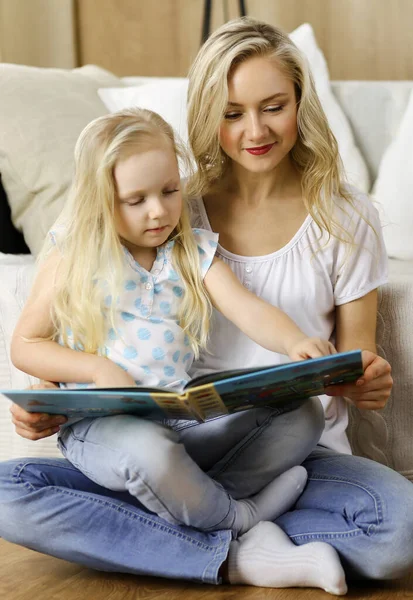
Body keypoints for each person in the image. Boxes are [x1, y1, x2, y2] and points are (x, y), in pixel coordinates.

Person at [1, 15, 413, 594]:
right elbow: (57, 331)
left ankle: (174, 535)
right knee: (7, 494)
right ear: (206, 114)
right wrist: (42, 398)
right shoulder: (168, 205)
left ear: (301, 102)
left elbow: (352, 356)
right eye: (231, 112)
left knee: (399, 530)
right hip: (155, 438)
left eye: (274, 105)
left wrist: (360, 377)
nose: (255, 130)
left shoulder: (342, 218)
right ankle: (239, 547)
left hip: (279, 452)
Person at [10, 106, 335, 542]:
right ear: (101, 201)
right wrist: (95, 370)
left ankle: (191, 501)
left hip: (178, 425)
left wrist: (295, 341)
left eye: (169, 191)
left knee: (304, 414)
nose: (159, 212)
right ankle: (237, 520)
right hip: (101, 429)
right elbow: (26, 343)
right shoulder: (74, 254)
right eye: (136, 200)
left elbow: (246, 307)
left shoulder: (189, 251)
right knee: (151, 454)